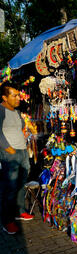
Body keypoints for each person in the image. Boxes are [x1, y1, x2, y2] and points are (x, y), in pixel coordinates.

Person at [0, 83, 34, 235]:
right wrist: (9, 149)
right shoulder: (1, 110)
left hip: (22, 151)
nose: (18, 98)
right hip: (10, 154)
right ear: (4, 97)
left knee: (21, 183)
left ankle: (19, 211)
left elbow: (19, 128)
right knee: (10, 187)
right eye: (14, 95)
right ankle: (7, 221)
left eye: (18, 95)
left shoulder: (17, 111)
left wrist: (25, 139)